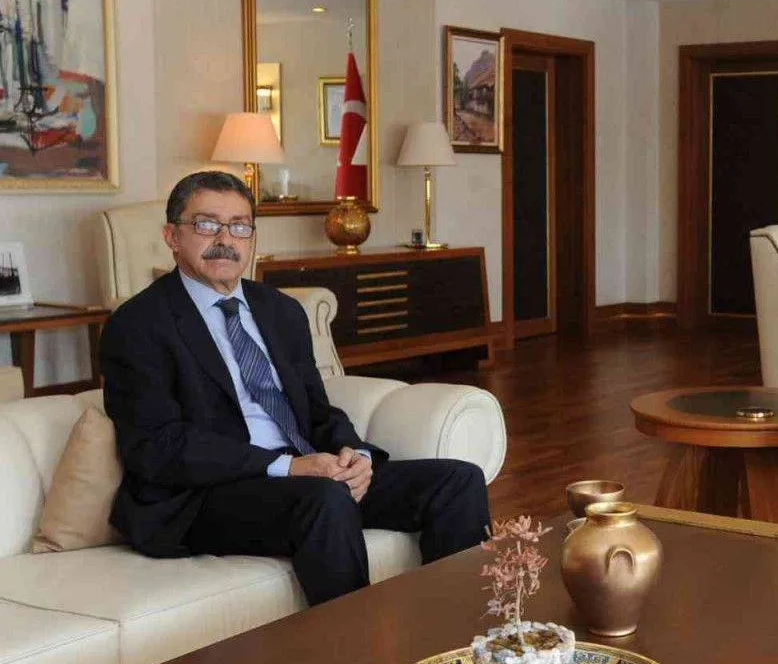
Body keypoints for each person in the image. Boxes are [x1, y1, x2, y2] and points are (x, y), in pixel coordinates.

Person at [101, 171, 491, 605]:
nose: (225, 240)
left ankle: (461, 632)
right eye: (206, 224)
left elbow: (316, 409)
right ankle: (356, 645)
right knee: (325, 498)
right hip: (206, 496)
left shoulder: (280, 310)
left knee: (458, 480)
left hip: (307, 477)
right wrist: (288, 467)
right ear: (172, 236)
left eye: (239, 226)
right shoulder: (138, 324)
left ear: (252, 237)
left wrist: (356, 456)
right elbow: (158, 447)